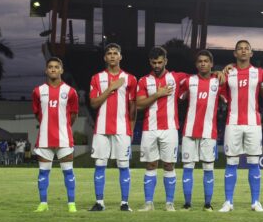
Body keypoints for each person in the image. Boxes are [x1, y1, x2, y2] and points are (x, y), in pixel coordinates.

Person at [218, 40, 263, 212]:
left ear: (251, 53)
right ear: (235, 53)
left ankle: (255, 202)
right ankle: (228, 202)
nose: (243, 51)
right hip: (233, 123)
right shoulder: (228, 73)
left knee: (254, 162)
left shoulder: (259, 73)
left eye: (246, 49)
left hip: (253, 124)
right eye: (240, 49)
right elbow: (222, 95)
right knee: (231, 162)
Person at [136, 46, 187, 211]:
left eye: (159, 62)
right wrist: (158, 94)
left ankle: (169, 203)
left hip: (170, 128)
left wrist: (219, 72)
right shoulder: (144, 81)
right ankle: (148, 203)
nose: (157, 66)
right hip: (149, 128)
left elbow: (200, 77)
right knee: (150, 165)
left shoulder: (176, 77)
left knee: (169, 165)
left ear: (165, 61)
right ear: (150, 62)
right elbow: (139, 104)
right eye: (154, 63)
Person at [88, 43, 137, 212]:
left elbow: (133, 108)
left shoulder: (130, 79)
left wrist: (131, 129)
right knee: (100, 164)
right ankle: (99, 202)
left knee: (123, 165)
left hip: (122, 129)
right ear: (105, 57)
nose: (112, 56)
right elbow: (94, 103)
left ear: (120, 57)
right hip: (101, 129)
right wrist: (110, 88)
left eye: (115, 53)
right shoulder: (96, 78)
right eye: (109, 53)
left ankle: (124, 203)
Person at [31, 57, 79, 212]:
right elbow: (38, 114)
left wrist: (63, 126)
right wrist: (48, 125)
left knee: (68, 172)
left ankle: (71, 204)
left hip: (64, 138)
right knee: (43, 172)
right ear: (46, 70)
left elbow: (73, 114)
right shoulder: (38, 91)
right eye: (50, 67)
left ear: (61, 70)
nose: (53, 69)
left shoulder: (70, 92)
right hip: (44, 138)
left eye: (56, 67)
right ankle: (43, 204)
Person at [180, 50, 224, 211]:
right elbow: (178, 96)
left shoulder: (219, 82)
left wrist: (221, 72)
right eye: (200, 61)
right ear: (196, 64)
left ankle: (207, 204)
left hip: (209, 132)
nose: (203, 63)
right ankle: (187, 203)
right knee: (187, 168)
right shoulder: (188, 81)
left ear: (211, 64)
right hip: (189, 132)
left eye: (206, 61)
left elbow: (229, 97)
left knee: (208, 169)